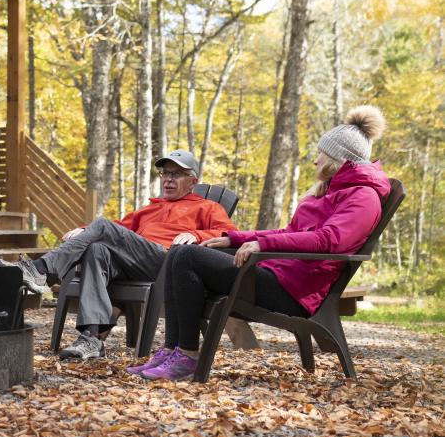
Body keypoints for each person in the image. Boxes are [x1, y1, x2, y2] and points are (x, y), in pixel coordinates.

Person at [136, 105, 390, 381]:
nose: (316, 161)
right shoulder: (328, 192)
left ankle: (187, 355)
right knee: (180, 252)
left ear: (337, 159)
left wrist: (261, 245)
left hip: (293, 290)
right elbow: (288, 231)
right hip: (276, 274)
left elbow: (330, 240)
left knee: (187, 257)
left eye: (321, 154)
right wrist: (233, 238)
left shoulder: (363, 196)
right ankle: (174, 349)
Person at [0, 149, 236, 361]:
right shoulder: (149, 209)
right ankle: (92, 338)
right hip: (139, 263)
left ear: (192, 181)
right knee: (96, 249)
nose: (168, 179)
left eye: (176, 174)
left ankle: (41, 270)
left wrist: (196, 235)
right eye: (165, 173)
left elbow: (229, 234)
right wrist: (85, 232)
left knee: (101, 226)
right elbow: (118, 228)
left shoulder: (207, 207)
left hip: (171, 262)